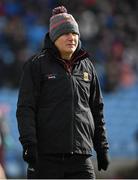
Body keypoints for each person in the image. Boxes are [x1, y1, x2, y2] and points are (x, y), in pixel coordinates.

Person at [16, 6, 110, 179]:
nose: (72, 38)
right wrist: (29, 144)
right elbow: (25, 109)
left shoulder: (88, 66)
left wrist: (102, 148)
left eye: (75, 34)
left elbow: (97, 109)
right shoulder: (36, 65)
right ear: (54, 37)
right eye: (66, 33)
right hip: (45, 158)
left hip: (81, 158)